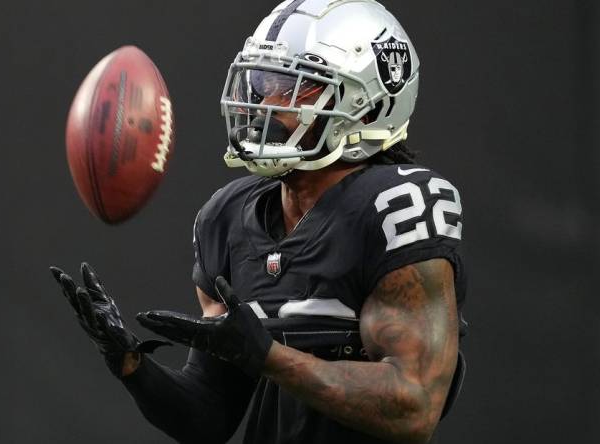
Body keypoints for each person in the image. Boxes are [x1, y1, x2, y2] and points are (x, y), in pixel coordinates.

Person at [51, 1, 468, 442]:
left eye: (293, 86)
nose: (264, 102)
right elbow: (208, 414)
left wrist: (268, 355)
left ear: (366, 107)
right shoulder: (227, 218)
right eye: (264, 81)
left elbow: (414, 405)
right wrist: (131, 365)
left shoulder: (397, 205)